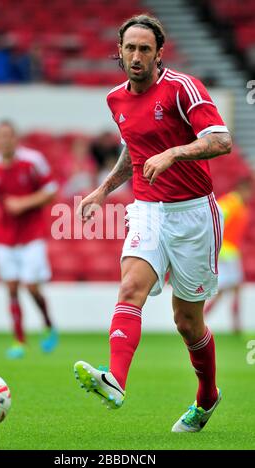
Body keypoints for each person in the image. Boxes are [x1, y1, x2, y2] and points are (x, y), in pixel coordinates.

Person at [74, 14, 232, 433]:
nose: (137, 56)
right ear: (120, 52)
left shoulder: (183, 88)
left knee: (187, 321)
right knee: (130, 286)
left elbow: (222, 140)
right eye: (130, 48)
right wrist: (103, 190)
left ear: (159, 53)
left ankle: (207, 396)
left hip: (194, 213)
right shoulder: (115, 99)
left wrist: (175, 153)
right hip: (147, 210)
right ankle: (116, 380)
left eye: (146, 49)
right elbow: (134, 147)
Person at [0, 121, 58, 359]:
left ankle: (48, 325)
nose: (5, 140)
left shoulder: (33, 161)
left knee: (32, 287)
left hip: (32, 236)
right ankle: (19, 340)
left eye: (9, 136)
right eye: (0, 136)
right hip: (4, 238)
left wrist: (24, 203)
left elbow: (51, 191)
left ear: (16, 138)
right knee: (11, 288)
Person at [204, 177, 253, 332]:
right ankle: (200, 321)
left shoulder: (240, 206)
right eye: (249, 191)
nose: (250, 195)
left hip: (231, 253)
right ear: (242, 189)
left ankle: (236, 326)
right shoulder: (230, 203)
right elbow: (213, 220)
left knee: (232, 289)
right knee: (225, 290)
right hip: (226, 252)